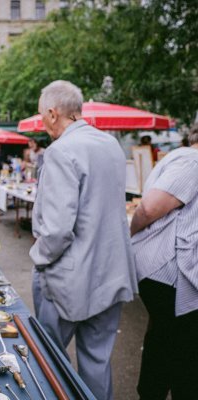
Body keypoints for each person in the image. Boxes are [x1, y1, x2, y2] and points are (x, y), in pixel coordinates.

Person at [29, 80, 136, 400]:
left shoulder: (61, 150)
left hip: (69, 279)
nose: (41, 123)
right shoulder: (110, 144)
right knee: (97, 363)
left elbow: (58, 229)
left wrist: (39, 257)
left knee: (49, 361)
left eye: (41, 116)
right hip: (111, 274)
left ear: (52, 113)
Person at [130, 126, 198, 399]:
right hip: (170, 269)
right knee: (182, 345)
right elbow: (148, 208)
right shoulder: (193, 163)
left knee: (164, 338)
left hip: (168, 270)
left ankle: (152, 393)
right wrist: (130, 232)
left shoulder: (183, 159)